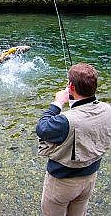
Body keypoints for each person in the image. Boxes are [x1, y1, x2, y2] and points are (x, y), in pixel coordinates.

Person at [36, 63, 111, 216]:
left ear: (71, 87)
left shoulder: (65, 121)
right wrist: (75, 103)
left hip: (63, 182)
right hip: (90, 177)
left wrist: (57, 103)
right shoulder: (107, 109)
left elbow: (42, 129)